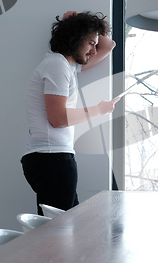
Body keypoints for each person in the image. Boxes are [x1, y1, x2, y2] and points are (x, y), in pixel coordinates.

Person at [21, 11, 119, 215]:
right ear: (75, 39)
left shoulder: (67, 66)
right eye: (91, 43)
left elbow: (109, 45)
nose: (94, 50)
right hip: (52, 159)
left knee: (64, 229)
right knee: (58, 234)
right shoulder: (57, 65)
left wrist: (78, 25)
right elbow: (58, 119)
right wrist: (99, 110)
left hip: (53, 158)